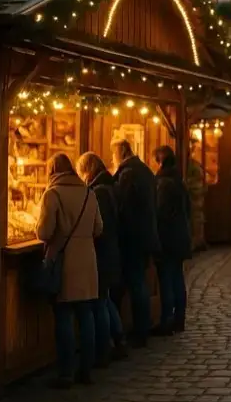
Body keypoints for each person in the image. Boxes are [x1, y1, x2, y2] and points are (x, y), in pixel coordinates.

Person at [36, 153, 103, 388]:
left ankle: (65, 373)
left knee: (64, 317)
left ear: (52, 170)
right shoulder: (89, 193)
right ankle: (86, 370)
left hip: (65, 263)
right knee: (86, 316)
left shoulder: (52, 194)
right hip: (87, 262)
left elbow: (44, 232)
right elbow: (99, 227)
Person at [76, 152, 125, 366]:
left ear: (87, 170)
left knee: (99, 302)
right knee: (104, 300)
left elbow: (99, 227)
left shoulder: (99, 192)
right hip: (111, 250)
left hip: (102, 253)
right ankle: (117, 339)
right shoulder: (109, 186)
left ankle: (104, 349)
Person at [111, 139, 159, 348]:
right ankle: (140, 327)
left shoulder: (128, 173)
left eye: (113, 153)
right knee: (137, 282)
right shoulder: (144, 170)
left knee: (135, 283)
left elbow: (123, 206)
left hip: (132, 237)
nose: (112, 158)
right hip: (144, 235)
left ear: (121, 152)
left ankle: (139, 330)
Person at [153, 146, 192, 334]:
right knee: (177, 278)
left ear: (160, 162)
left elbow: (160, 213)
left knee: (167, 280)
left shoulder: (163, 183)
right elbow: (188, 210)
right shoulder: (179, 181)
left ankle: (167, 320)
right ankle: (179, 319)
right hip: (180, 237)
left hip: (167, 238)